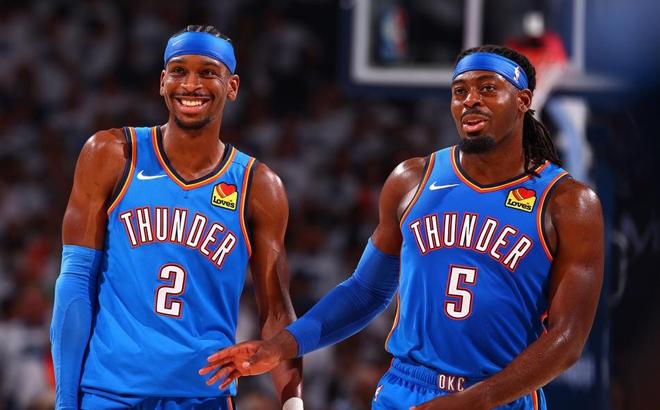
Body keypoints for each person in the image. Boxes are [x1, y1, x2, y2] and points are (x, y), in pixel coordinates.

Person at [199, 45, 604, 409]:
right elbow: (366, 290)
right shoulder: (413, 179)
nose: (470, 100)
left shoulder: (568, 203)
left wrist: (474, 401)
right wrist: (282, 345)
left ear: (523, 101)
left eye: (487, 89)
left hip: (498, 396)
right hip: (406, 390)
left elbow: (568, 339)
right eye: (460, 91)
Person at [50, 25, 303, 410]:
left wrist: (292, 403)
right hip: (110, 393)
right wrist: (66, 402)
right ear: (162, 81)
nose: (191, 84)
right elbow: (74, 284)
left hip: (203, 397)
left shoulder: (259, 186)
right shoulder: (111, 154)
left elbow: (277, 313)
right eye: (179, 71)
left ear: (232, 87)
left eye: (208, 72)